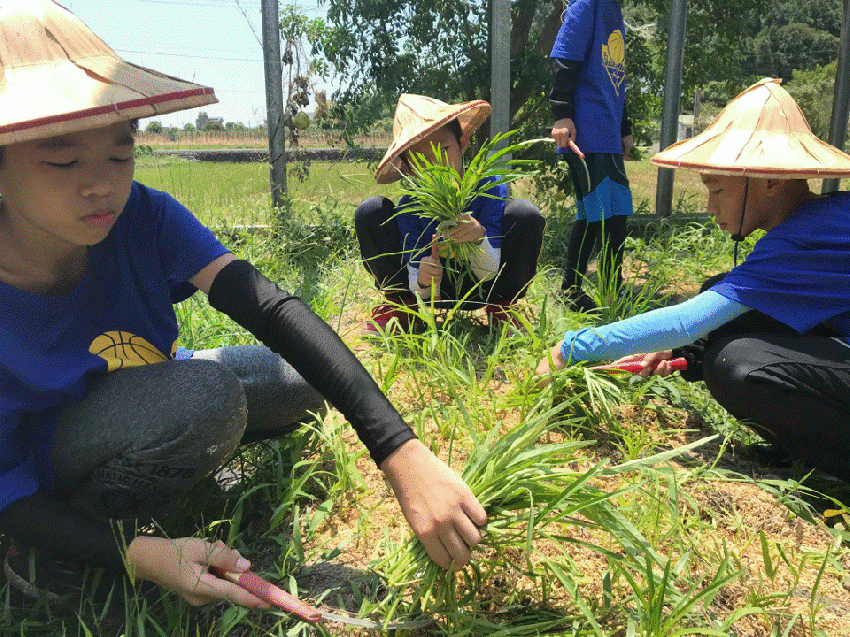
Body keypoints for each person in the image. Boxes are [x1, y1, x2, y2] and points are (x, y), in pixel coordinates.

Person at [0, 0, 486, 627]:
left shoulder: (142, 217)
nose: (100, 184)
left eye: (120, 153)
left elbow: (267, 306)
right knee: (207, 398)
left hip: (142, 389)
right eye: (63, 159)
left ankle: (176, 451)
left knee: (296, 378)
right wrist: (140, 555)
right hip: (40, 470)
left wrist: (401, 453)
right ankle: (68, 548)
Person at [536, 78, 850, 481]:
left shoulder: (806, 238)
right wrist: (682, 350)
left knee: (738, 368)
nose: (709, 205)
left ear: (771, 182)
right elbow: (710, 320)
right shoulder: (825, 217)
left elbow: (688, 321)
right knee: (725, 306)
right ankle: (802, 447)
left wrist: (572, 347)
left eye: (717, 190)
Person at [355, 94, 546, 335]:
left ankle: (502, 306)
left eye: (444, 148)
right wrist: (423, 279)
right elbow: (419, 283)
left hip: (484, 284)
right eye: (421, 159)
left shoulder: (487, 187)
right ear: (406, 167)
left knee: (524, 214)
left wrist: (478, 237)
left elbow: (489, 270)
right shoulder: (409, 207)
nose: (437, 164)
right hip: (430, 293)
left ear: (462, 142)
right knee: (371, 211)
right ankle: (403, 307)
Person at [549, 0, 635, 312]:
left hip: (607, 135)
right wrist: (562, 114)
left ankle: (608, 286)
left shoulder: (614, 11)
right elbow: (564, 59)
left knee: (615, 211)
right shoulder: (587, 5)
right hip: (585, 133)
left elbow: (616, 83)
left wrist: (624, 128)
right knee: (597, 213)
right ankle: (573, 289)